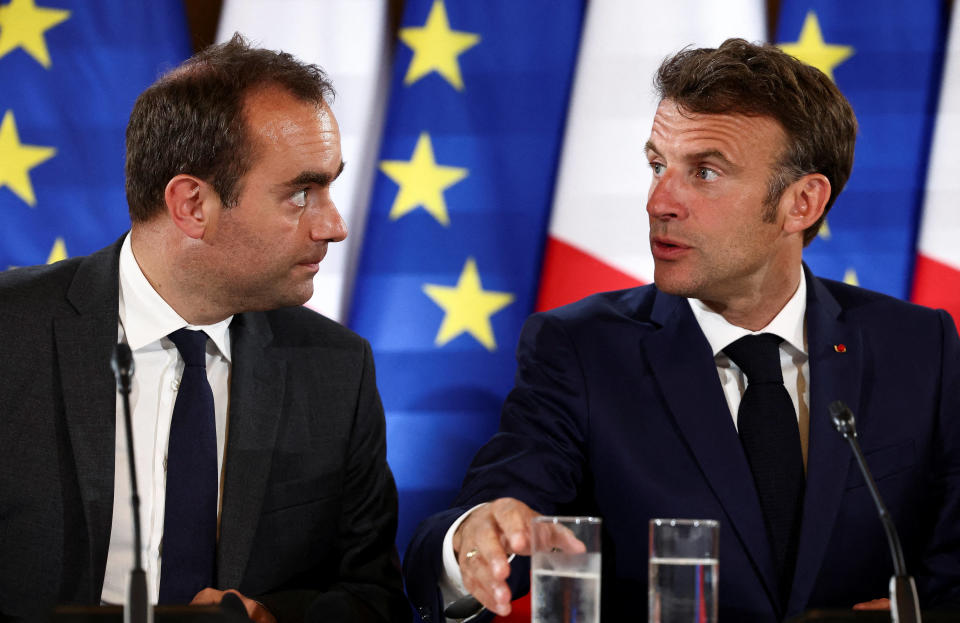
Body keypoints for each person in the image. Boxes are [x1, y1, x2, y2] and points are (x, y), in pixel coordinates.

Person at [403, 38, 960, 622]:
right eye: (657, 164)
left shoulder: (919, 347)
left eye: (705, 172)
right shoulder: (581, 351)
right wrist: (473, 538)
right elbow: (502, 516)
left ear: (802, 202)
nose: (659, 201)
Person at [0, 35, 409, 623]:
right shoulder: (10, 334)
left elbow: (374, 598)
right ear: (192, 204)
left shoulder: (337, 369)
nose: (334, 225)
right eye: (301, 193)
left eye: (330, 187)